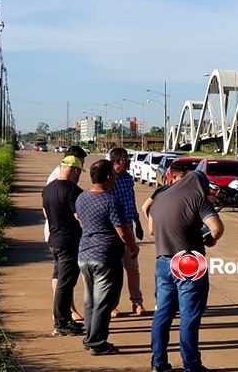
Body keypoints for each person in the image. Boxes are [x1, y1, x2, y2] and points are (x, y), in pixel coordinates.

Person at [149, 169, 224, 372]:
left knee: (162, 314)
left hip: (163, 262)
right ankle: (191, 364)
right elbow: (217, 227)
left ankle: (158, 363)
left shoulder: (161, 196)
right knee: (189, 316)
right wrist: (210, 239)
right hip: (188, 262)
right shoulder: (197, 198)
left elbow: (152, 228)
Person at [75, 159, 140, 355]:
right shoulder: (111, 201)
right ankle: (97, 343)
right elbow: (122, 230)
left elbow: (81, 221)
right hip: (105, 257)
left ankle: (89, 338)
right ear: (109, 177)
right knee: (103, 302)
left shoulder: (82, 198)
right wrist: (133, 247)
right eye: (113, 174)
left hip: (85, 255)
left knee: (90, 301)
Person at [42, 155, 85, 337]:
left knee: (63, 281)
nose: (79, 176)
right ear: (74, 170)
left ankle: (65, 318)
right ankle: (61, 323)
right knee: (65, 284)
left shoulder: (48, 189)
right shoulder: (72, 190)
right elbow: (80, 216)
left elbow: (45, 212)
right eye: (79, 172)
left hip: (54, 239)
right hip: (68, 242)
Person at [108, 147, 147, 317]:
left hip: (129, 230)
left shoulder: (128, 178)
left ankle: (137, 303)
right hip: (112, 233)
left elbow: (131, 201)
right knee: (113, 273)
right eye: (126, 159)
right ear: (116, 161)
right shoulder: (107, 179)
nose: (129, 162)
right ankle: (111, 305)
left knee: (133, 269)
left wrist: (138, 223)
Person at [141, 160, 190, 237]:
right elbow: (145, 207)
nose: (186, 180)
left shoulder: (188, 192)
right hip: (166, 236)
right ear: (173, 176)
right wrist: (153, 225)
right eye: (182, 177)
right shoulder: (161, 191)